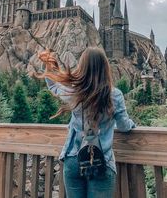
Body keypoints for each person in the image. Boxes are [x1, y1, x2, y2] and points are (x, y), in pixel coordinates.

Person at [36, 47, 135, 198]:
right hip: (101, 161)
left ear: (82, 66)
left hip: (73, 159)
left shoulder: (74, 92)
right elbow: (123, 126)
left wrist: (49, 65)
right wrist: (131, 125)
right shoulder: (114, 95)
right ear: (105, 67)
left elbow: (54, 86)